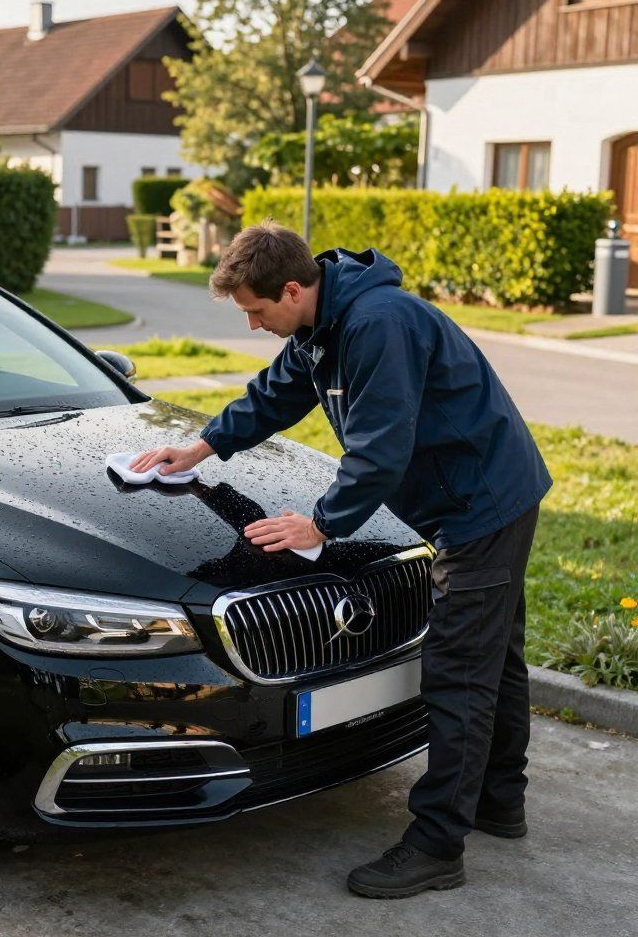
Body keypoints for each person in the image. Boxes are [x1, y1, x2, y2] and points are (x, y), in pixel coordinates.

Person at [130, 220, 551, 899]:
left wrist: (319, 524)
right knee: (493, 658)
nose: (253, 324)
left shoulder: (378, 324)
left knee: (459, 674)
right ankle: (499, 801)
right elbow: (273, 396)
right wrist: (201, 448)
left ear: (293, 289)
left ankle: (438, 843)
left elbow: (380, 450)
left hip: (482, 505)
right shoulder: (321, 328)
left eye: (257, 311)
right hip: (473, 497)